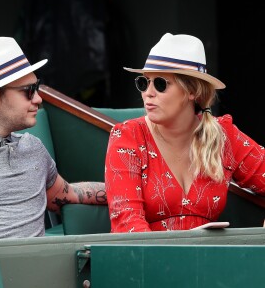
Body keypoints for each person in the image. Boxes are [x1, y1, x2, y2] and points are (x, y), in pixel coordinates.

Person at [104, 33, 265, 233]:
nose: (148, 93)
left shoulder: (223, 135)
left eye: (161, 84)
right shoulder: (127, 136)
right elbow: (127, 224)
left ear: (192, 92)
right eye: (144, 83)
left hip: (211, 260)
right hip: (149, 260)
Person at [0, 37, 107, 239]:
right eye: (28, 91)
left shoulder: (32, 147)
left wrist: (132, 191)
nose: (38, 99)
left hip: (40, 266)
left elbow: (70, 193)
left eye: (37, 88)